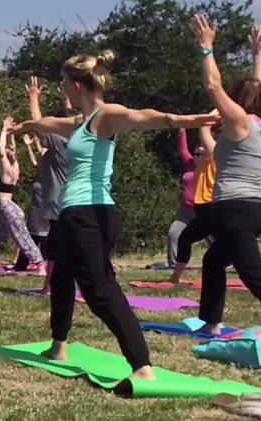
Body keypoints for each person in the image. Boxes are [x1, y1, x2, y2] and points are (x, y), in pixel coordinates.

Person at [12, 50, 218, 384]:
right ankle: (58, 344)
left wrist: (193, 120)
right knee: (61, 276)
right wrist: (24, 125)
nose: (62, 89)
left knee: (99, 290)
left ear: (76, 84)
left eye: (64, 83)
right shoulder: (81, 123)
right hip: (71, 216)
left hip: (89, 215)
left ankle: (141, 364)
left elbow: (149, 117)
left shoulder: (105, 116)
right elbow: (50, 124)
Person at [190, 18, 261, 335]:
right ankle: (210, 322)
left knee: (252, 273)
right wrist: (256, 52)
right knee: (213, 262)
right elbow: (260, 84)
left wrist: (206, 47)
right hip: (252, 209)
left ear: (238, 99)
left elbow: (212, 86)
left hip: (234, 209)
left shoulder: (237, 120)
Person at [23, 77, 75, 295]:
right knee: (73, 247)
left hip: (60, 205)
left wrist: (33, 98)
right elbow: (70, 118)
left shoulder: (56, 140)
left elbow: (38, 123)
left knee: (56, 250)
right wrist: (67, 97)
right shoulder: (76, 138)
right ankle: (59, 287)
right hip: (76, 202)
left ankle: (47, 288)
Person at [0, 118, 46, 277]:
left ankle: (41, 267)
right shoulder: (15, 167)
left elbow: (1, 148)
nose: (6, 152)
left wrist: (4, 129)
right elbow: (11, 148)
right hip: (7, 209)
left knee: (22, 239)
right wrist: (12, 134)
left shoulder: (7, 170)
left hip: (7, 208)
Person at [168, 124, 217, 283]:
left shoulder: (212, 162)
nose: (195, 156)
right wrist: (181, 129)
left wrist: (206, 124)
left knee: (228, 242)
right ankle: (175, 276)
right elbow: (183, 151)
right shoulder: (192, 166)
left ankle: (251, 270)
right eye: (194, 153)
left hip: (212, 209)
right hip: (196, 210)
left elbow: (211, 146)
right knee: (183, 239)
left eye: (199, 154)